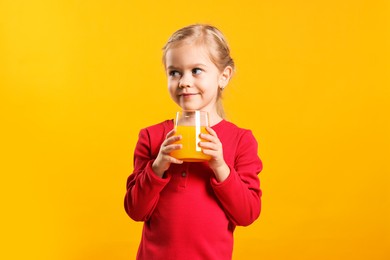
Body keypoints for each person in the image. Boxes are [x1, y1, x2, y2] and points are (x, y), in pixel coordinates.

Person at [124, 24, 263, 259]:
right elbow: (135, 210)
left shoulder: (241, 140)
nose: (184, 81)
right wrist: (157, 167)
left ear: (223, 76)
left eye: (196, 70)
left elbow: (247, 214)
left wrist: (220, 166)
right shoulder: (151, 137)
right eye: (174, 72)